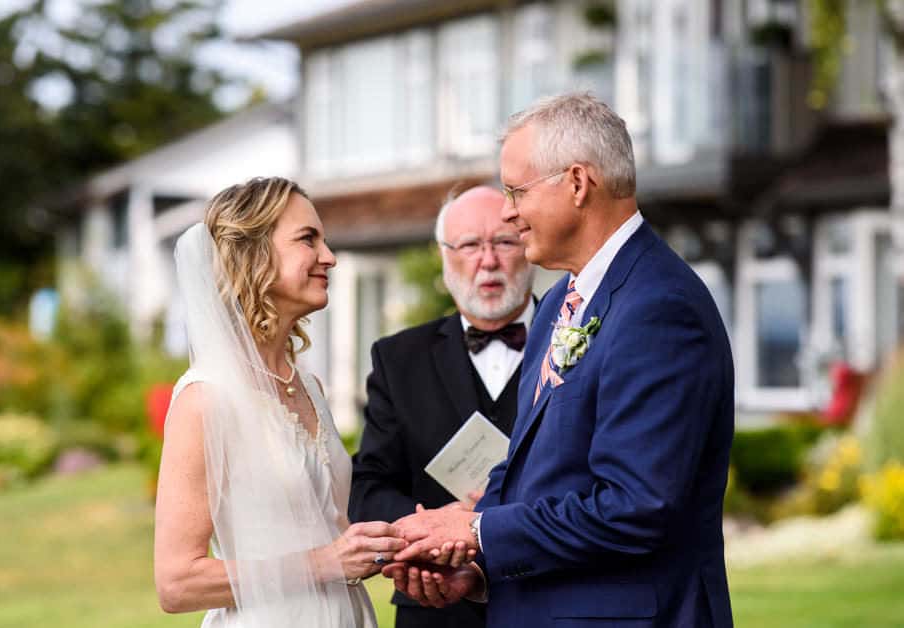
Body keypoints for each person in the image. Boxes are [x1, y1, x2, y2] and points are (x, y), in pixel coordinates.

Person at [386, 92, 735, 627]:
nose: (507, 210)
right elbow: (531, 473)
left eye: (516, 190)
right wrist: (478, 569)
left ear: (577, 183)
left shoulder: (659, 307)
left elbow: (636, 508)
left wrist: (475, 531)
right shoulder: (556, 304)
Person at [153, 177, 406, 627]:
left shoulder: (310, 387)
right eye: (308, 239)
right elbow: (176, 583)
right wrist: (327, 562)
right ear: (253, 257)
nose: (329, 257)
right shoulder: (205, 398)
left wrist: (397, 546)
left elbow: (330, 529)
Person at [348, 186, 535, 628]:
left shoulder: (578, 343)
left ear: (529, 246)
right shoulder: (397, 359)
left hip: (547, 598)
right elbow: (368, 486)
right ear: (444, 256)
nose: (487, 261)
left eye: (504, 242)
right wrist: (430, 532)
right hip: (433, 605)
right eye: (469, 245)